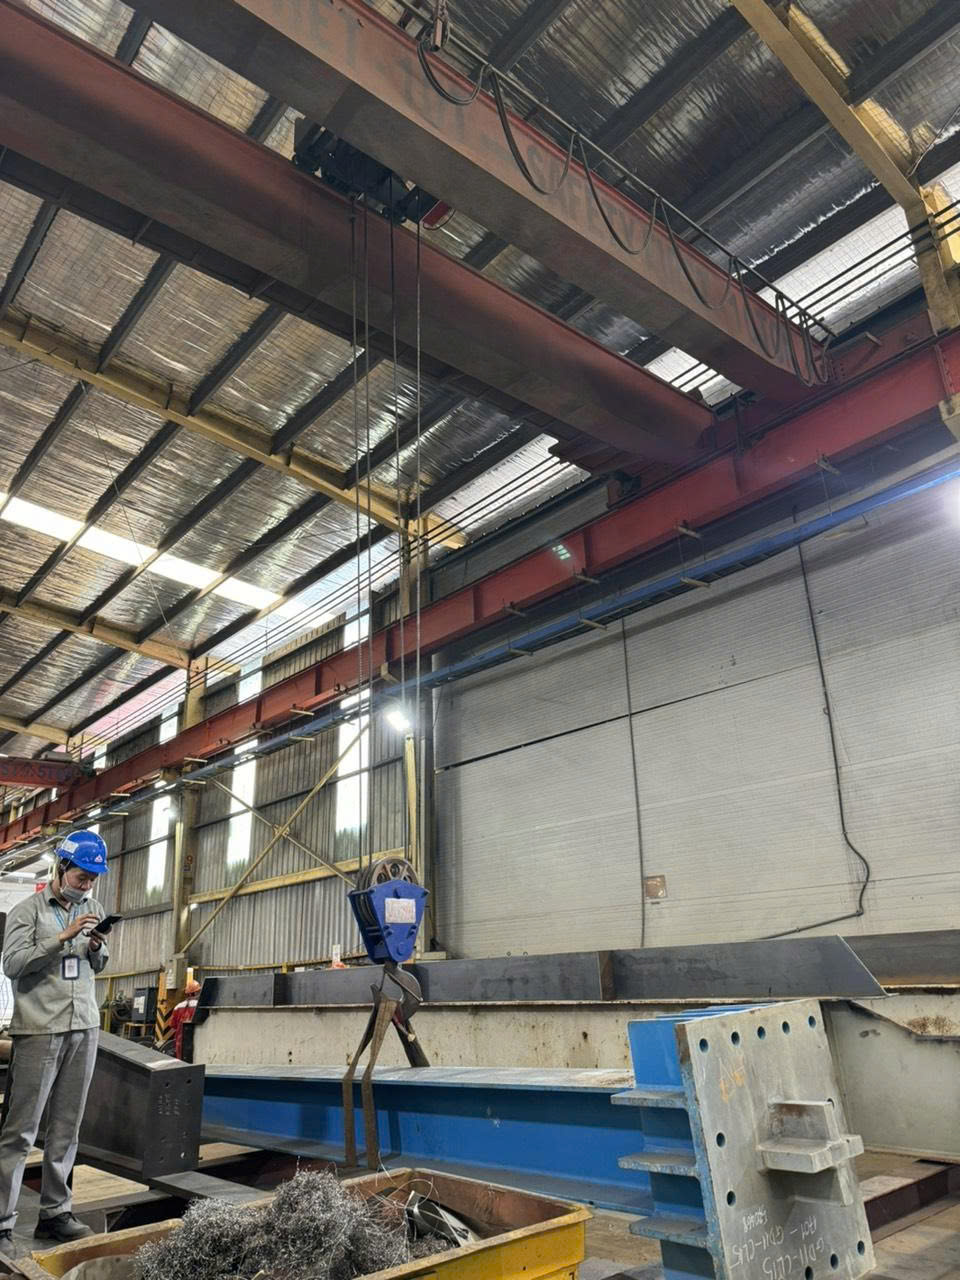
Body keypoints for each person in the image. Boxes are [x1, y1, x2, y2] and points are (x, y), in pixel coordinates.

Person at [0, 830, 110, 1256]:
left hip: (84, 1026)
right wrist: (61, 938)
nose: (87, 885)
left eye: (92, 879)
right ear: (62, 868)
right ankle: (2, 1221)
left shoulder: (94, 909)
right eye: (82, 877)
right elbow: (13, 964)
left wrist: (96, 946)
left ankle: (56, 1214)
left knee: (67, 1126)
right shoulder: (26, 912)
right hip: (39, 1028)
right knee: (21, 1130)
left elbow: (98, 965)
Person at [168, 978, 201, 1060]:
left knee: (182, 1063)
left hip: (180, 1042)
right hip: (197, 1041)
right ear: (195, 992)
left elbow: (172, 1025)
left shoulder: (178, 1007)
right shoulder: (200, 1006)